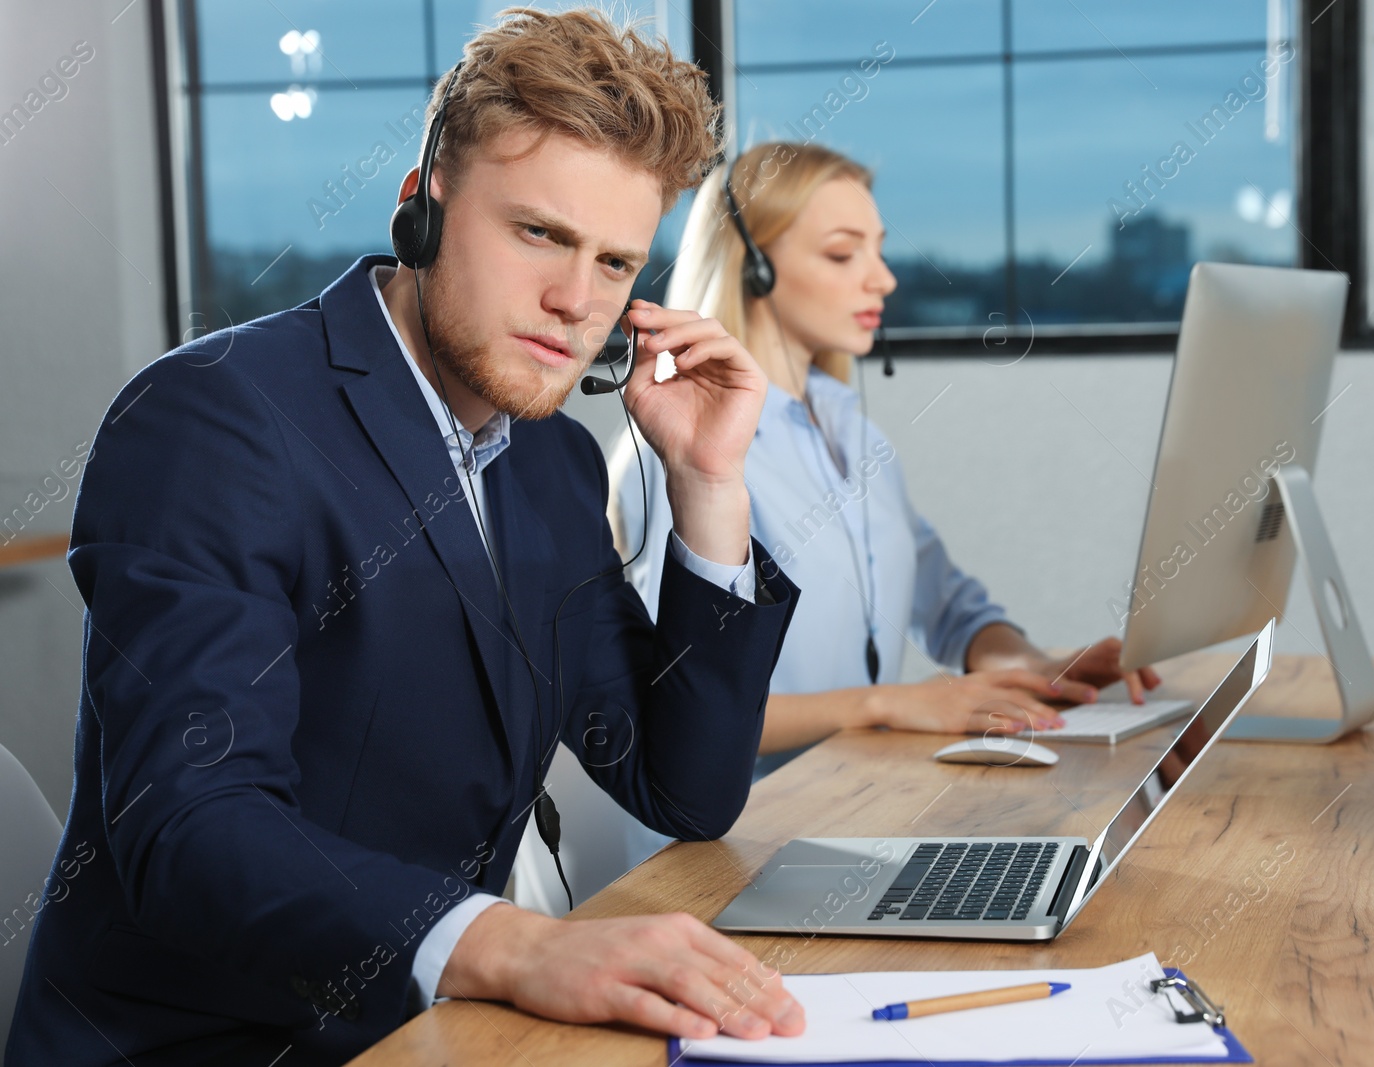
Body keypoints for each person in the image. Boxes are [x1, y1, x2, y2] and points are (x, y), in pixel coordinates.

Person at [6, 12, 807, 1066]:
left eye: (616, 262)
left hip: (432, 1030)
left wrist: (709, 484)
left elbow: (685, 789)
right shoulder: (212, 419)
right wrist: (507, 943)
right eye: (538, 234)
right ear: (420, 206)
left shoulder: (553, 462)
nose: (576, 302)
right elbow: (193, 826)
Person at [613, 141, 1163, 772]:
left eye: (878, 248)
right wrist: (886, 704)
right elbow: (676, 704)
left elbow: (946, 600)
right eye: (844, 253)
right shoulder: (676, 453)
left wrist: (1029, 665)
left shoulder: (853, 433)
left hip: (852, 796)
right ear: (752, 267)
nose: (884, 278)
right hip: (736, 832)